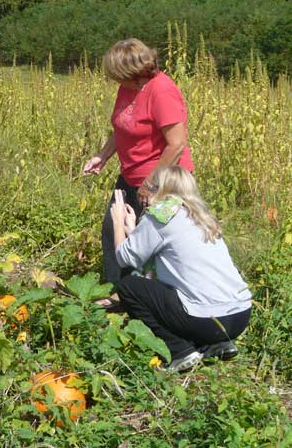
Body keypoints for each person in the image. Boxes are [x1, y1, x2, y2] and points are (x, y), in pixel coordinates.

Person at [109, 166, 252, 372]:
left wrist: (116, 221)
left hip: (204, 321)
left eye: (152, 186)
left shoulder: (161, 215)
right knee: (193, 290)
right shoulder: (201, 217)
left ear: (161, 189)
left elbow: (124, 258)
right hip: (239, 316)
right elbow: (164, 251)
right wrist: (134, 229)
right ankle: (214, 344)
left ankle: (178, 350)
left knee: (128, 286)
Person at [83, 38, 194, 287]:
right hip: (130, 175)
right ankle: (119, 293)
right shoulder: (128, 88)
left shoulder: (161, 91)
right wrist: (102, 156)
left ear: (129, 72)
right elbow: (123, 127)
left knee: (153, 243)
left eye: (115, 74)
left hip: (163, 181)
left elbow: (176, 144)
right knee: (114, 230)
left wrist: (151, 183)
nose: (112, 79)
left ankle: (153, 299)